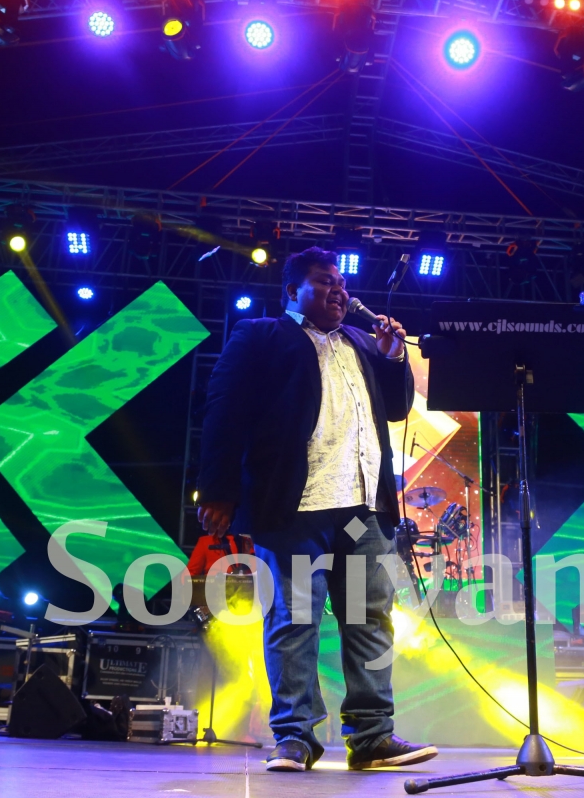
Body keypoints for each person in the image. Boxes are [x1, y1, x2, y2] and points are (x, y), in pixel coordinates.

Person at [196, 247, 436, 773]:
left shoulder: (361, 342)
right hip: (296, 504)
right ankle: (294, 737)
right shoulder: (260, 335)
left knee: (371, 619)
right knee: (294, 618)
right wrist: (218, 489)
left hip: (363, 505)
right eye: (325, 281)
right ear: (293, 291)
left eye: (342, 283)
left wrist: (394, 357)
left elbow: (396, 408)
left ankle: (372, 736)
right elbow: (223, 411)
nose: (338, 291)